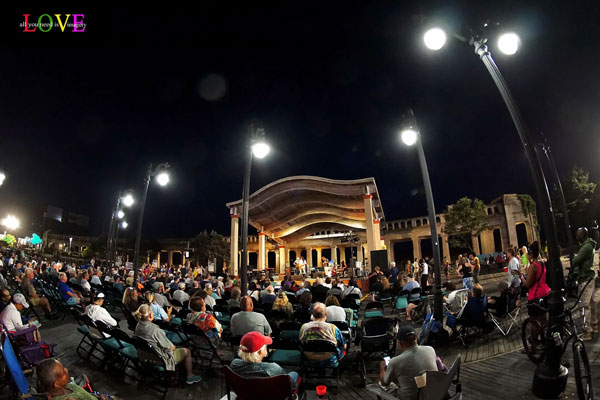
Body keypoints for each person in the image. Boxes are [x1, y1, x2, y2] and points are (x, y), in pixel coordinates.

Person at [133, 304, 202, 384]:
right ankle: (189, 376)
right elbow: (170, 347)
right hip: (159, 358)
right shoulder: (154, 330)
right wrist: (174, 347)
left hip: (145, 355)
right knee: (187, 351)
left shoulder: (138, 326)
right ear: (150, 315)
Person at [378, 325, 438, 400]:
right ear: (416, 338)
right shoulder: (430, 349)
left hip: (409, 398)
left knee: (381, 384)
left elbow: (385, 382)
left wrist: (382, 368)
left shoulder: (395, 361)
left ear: (399, 342)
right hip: (431, 394)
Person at [230, 331, 300, 390]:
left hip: (244, 394)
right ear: (260, 352)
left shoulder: (234, 364)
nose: (266, 347)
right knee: (294, 374)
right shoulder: (272, 368)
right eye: (265, 346)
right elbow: (292, 385)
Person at [520, 242, 551, 348]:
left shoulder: (533, 266)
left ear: (531, 254)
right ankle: (544, 342)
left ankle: (533, 344)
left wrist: (522, 278)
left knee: (534, 321)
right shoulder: (542, 263)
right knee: (543, 320)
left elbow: (528, 284)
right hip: (545, 293)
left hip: (535, 296)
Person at [571, 228, 598, 340]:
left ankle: (588, 330)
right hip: (589, 276)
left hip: (585, 277)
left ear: (583, 235)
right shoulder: (588, 245)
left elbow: (575, 261)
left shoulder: (586, 247)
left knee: (585, 304)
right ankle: (594, 324)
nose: (576, 236)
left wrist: (575, 258)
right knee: (591, 302)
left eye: (578, 234)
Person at [299, 302, 346, 366]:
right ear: (326, 315)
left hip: (309, 359)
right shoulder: (333, 328)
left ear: (312, 315)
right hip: (330, 360)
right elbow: (343, 345)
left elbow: (300, 342)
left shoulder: (304, 327)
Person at [36, 358, 105, 400]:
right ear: (56, 384)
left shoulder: (64, 386)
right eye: (63, 372)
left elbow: (82, 395)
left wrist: (95, 396)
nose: (66, 370)